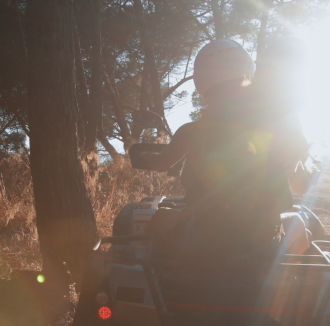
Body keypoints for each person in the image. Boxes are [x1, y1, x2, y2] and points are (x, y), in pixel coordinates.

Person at [133, 39, 312, 257]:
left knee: (159, 218)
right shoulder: (273, 128)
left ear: (202, 84)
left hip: (202, 234)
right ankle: (279, 286)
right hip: (261, 239)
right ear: (247, 76)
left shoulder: (191, 131)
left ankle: (168, 277)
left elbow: (159, 163)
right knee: (298, 223)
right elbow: (301, 184)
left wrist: (139, 152)